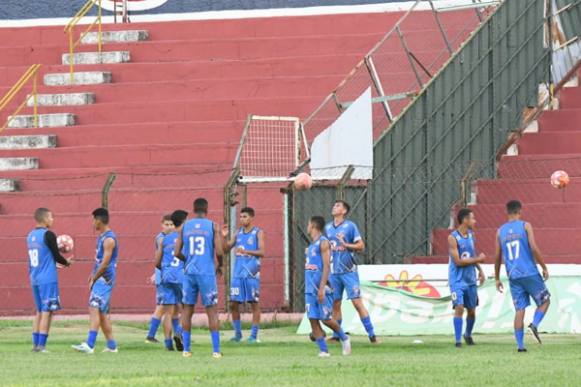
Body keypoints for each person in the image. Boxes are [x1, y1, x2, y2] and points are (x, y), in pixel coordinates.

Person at [494, 200, 550, 352]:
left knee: (520, 309)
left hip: (513, 276)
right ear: (520, 211)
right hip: (529, 272)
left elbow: (497, 256)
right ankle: (534, 325)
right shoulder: (525, 225)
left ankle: (520, 346)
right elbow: (533, 247)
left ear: (507, 212)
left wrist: (497, 278)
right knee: (545, 301)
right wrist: (543, 266)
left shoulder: (500, 231)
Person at [174, 198, 224, 358]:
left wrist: (187, 259)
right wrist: (220, 265)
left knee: (187, 310)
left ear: (194, 210)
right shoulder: (213, 226)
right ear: (207, 209)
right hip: (206, 273)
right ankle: (216, 351)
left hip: (190, 272)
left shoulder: (185, 227)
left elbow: (176, 252)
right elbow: (220, 251)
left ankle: (186, 350)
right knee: (212, 311)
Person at [326, 200, 377, 343]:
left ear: (344, 211)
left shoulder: (350, 226)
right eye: (334, 204)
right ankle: (337, 336)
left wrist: (346, 245)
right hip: (334, 271)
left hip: (348, 271)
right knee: (336, 303)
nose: (334, 207)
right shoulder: (328, 228)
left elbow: (361, 246)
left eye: (337, 205)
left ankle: (372, 335)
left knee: (356, 303)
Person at [72, 208, 119, 354]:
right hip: (100, 277)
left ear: (98, 220)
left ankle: (90, 344)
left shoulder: (109, 239)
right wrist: (92, 274)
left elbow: (105, 263)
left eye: (93, 220)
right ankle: (112, 346)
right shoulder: (102, 237)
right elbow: (99, 261)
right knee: (101, 313)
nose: (92, 223)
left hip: (105, 279)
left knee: (93, 307)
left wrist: (96, 277)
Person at [27, 208, 72, 352]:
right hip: (47, 279)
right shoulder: (49, 235)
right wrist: (67, 262)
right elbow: (56, 256)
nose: (52, 220)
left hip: (34, 277)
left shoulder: (30, 236)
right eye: (51, 217)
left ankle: (35, 345)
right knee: (47, 311)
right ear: (45, 219)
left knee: (39, 311)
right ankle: (42, 346)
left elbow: (44, 257)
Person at [306, 216, 351, 357]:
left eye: (308, 224)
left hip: (322, 287)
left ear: (313, 225)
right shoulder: (312, 245)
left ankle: (344, 337)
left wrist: (321, 288)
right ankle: (324, 350)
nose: (307, 227)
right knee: (312, 319)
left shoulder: (323, 243)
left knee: (325, 319)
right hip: (309, 288)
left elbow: (326, 266)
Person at [222, 207, 264, 343]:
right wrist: (223, 236)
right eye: (240, 217)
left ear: (251, 217)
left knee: (254, 303)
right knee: (234, 304)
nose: (242, 219)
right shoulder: (237, 233)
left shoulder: (258, 232)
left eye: (245, 216)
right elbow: (226, 249)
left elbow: (262, 252)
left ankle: (253, 335)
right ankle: (238, 334)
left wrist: (248, 252)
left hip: (251, 273)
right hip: (237, 274)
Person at [448, 208, 486, 348]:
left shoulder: (471, 235)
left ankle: (468, 335)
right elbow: (458, 261)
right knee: (459, 307)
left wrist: (480, 270)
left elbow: (471, 254)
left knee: (471, 310)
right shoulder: (452, 238)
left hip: (470, 280)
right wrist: (478, 259)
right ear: (465, 220)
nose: (474, 221)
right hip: (457, 280)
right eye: (472, 218)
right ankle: (458, 341)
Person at [153, 210, 189, 351]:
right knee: (185, 308)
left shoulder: (163, 239)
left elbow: (157, 262)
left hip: (166, 276)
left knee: (168, 312)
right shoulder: (185, 238)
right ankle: (179, 332)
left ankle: (168, 343)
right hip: (181, 276)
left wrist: (163, 270)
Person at [145, 215, 178, 348]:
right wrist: (156, 274)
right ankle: (151, 335)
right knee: (163, 307)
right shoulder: (161, 238)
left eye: (171, 224)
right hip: (164, 277)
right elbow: (160, 258)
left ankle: (176, 335)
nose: (169, 227)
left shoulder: (173, 238)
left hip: (168, 275)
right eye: (167, 224)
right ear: (162, 225)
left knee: (170, 307)